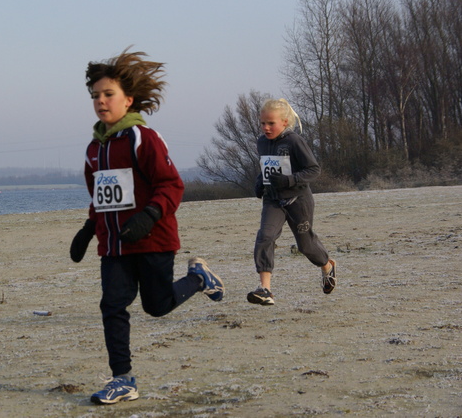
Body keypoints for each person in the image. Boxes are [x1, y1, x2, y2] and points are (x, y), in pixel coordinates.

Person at [69, 48, 225, 405]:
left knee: (156, 306)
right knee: (112, 306)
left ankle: (199, 279)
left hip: (154, 240)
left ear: (129, 99)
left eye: (108, 94)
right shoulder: (95, 149)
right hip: (115, 247)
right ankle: (122, 380)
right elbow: (102, 199)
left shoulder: (143, 138)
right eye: (95, 96)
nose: (101, 101)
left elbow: (172, 185)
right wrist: (88, 229)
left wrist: (149, 216)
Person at [247, 98, 336, 306]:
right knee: (265, 237)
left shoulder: (294, 141)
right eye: (262, 123)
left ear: (285, 122)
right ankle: (265, 289)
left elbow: (314, 170)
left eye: (271, 123)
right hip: (273, 200)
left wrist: (290, 180)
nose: (266, 128)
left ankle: (327, 266)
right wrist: (260, 182)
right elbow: (266, 166)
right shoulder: (261, 142)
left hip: (298, 200)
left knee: (305, 246)